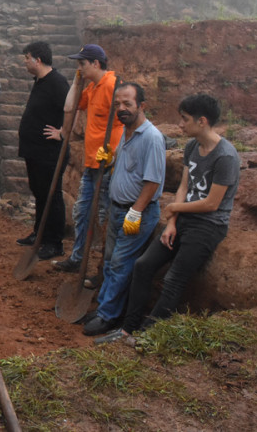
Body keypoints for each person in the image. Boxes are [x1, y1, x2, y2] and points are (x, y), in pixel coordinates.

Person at [98, 94, 240, 345]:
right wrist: (173, 221)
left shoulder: (226, 156)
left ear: (202, 121)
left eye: (185, 120)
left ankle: (148, 334)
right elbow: (184, 186)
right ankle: (128, 329)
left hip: (208, 226)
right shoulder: (192, 147)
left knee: (174, 278)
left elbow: (212, 203)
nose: (181, 125)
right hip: (184, 219)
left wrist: (175, 207)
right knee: (143, 266)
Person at [82, 82, 166, 336]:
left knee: (120, 263)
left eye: (127, 104)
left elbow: (153, 181)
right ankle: (104, 307)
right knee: (109, 261)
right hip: (118, 209)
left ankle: (109, 316)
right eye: (118, 104)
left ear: (142, 106)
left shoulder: (151, 138)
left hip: (136, 212)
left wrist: (136, 211)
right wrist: (110, 161)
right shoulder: (126, 133)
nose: (121, 108)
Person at [51, 43, 124, 272]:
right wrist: (76, 81)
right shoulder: (92, 87)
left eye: (82, 64)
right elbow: (69, 106)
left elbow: (130, 119)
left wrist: (116, 154)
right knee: (82, 212)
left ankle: (107, 267)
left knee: (105, 217)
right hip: (92, 164)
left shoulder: (113, 85)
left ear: (96, 63)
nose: (79, 68)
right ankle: (77, 258)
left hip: (110, 165)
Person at [17, 41, 71, 259]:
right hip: (35, 150)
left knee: (52, 194)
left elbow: (71, 109)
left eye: (26, 58)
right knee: (39, 193)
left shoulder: (57, 82)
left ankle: (54, 242)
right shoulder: (40, 81)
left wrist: (62, 132)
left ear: (37, 60)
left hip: (50, 152)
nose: (25, 62)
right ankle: (39, 233)